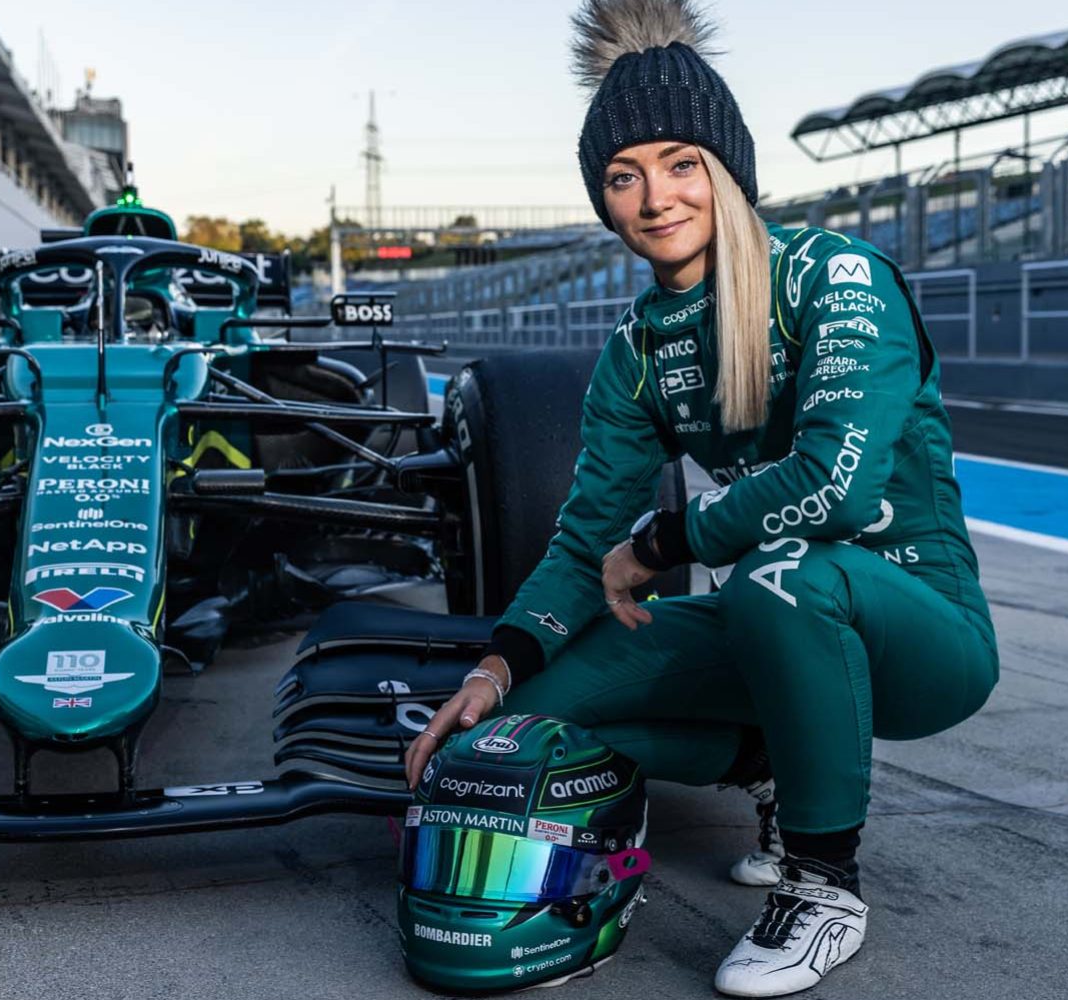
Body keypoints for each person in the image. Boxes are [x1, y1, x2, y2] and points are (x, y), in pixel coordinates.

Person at [403, 1, 999, 994]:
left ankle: (823, 884)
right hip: (774, 617)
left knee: (783, 572)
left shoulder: (838, 277)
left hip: (920, 634)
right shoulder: (635, 349)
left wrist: (666, 537)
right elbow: (585, 533)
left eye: (681, 162)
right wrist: (500, 666)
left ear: (726, 170)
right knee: (527, 729)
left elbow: (837, 488)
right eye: (623, 175)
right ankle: (772, 752)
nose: (654, 196)